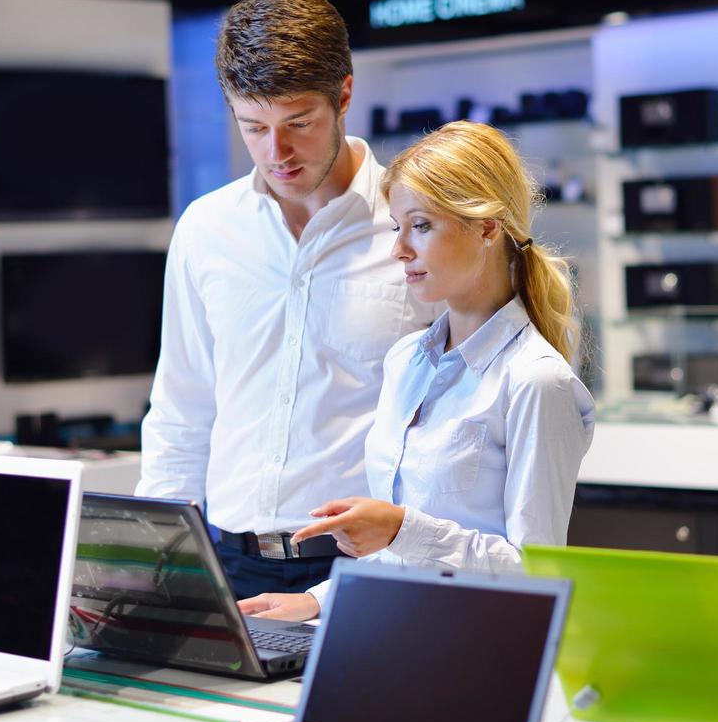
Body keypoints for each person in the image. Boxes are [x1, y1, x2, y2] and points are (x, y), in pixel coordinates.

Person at [135, 0, 438, 599]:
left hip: (369, 564)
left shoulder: (416, 227)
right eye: (253, 126)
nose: (278, 152)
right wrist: (150, 562)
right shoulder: (206, 229)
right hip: (231, 561)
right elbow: (182, 408)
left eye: (299, 122)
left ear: (344, 94)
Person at [237, 121, 596, 621]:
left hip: (478, 650)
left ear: (488, 227)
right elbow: (399, 553)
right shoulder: (407, 361)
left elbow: (537, 575)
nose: (399, 249)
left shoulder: (536, 381)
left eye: (421, 226)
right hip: (391, 629)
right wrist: (315, 601)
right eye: (396, 227)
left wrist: (402, 528)